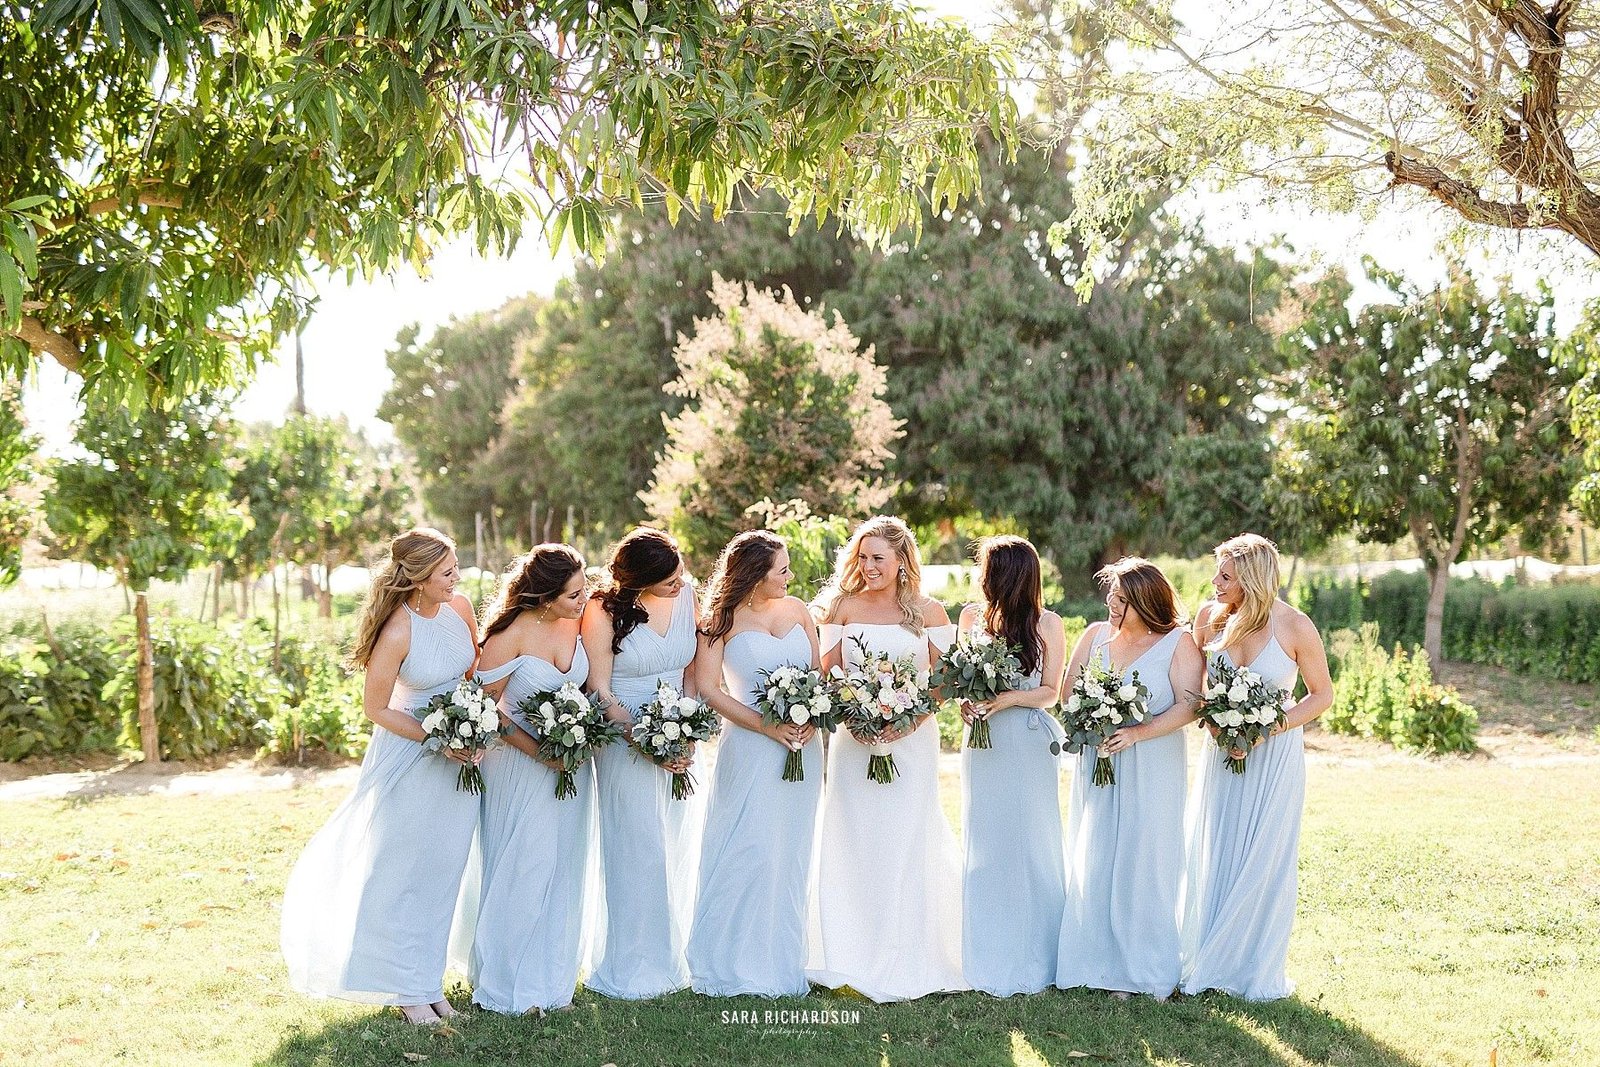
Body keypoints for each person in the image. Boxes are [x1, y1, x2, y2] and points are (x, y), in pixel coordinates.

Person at [280, 528, 479, 1025]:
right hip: (411, 757)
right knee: (401, 872)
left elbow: (471, 671)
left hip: (460, 756)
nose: (457, 577)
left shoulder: (459, 609)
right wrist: (439, 738)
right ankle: (403, 987)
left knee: (443, 869)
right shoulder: (397, 631)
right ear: (417, 578)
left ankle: (428, 982)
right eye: (447, 572)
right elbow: (376, 708)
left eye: (455, 567)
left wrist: (474, 723)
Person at [806, 515, 967, 1002]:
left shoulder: (930, 611)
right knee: (855, 834)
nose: (869, 565)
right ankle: (851, 947)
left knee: (907, 833)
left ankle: (910, 948)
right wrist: (855, 714)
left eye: (879, 557)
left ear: (902, 560)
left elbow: (945, 679)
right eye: (862, 556)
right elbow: (827, 671)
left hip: (912, 739)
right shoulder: (842, 606)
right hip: (855, 740)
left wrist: (908, 720)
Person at [1181, 533, 1333, 1001]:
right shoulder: (1209, 619)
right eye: (1217, 572)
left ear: (1250, 578)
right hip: (1221, 755)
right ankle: (1208, 954)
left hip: (1274, 756)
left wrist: (1266, 730)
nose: (1215, 582)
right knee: (1217, 846)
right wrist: (1218, 728)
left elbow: (1322, 696)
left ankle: (1251, 967)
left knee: (1263, 856)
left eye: (1225, 575)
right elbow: (1198, 690)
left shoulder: (1295, 626)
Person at [457, 544, 598, 1014]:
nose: (584, 599)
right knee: (523, 865)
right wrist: (538, 749)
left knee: (563, 865)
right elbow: (484, 708)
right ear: (544, 596)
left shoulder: (577, 623)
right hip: (517, 765)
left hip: (567, 766)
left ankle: (552, 981)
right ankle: (506, 982)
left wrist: (576, 738)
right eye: (574, 593)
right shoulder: (509, 634)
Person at [1055, 557, 1203, 999]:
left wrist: (1138, 731)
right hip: (1099, 760)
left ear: (1144, 600)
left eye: (1120, 598)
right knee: (1097, 852)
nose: (1110, 603)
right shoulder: (1095, 636)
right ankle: (1095, 963)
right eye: (1111, 595)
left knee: (1146, 857)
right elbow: (1068, 694)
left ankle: (1144, 969)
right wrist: (1091, 716)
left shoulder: (1178, 642)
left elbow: (1190, 704)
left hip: (1153, 764)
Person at [686, 531, 822, 996]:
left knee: (791, 848)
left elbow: (818, 676)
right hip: (750, 747)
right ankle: (731, 960)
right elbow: (709, 688)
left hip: (804, 747)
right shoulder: (718, 621)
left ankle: (784, 958)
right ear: (754, 574)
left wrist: (811, 719)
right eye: (781, 569)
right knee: (748, 845)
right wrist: (768, 726)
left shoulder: (799, 610)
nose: (789, 576)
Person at [581, 527, 704, 999]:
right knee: (635, 847)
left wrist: (686, 726)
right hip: (622, 737)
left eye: (680, 572)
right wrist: (644, 735)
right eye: (668, 577)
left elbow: (692, 670)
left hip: (680, 734)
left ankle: (673, 959)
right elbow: (600, 688)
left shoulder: (688, 595)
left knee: (675, 842)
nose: (680, 581)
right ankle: (632, 965)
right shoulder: (602, 610)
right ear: (638, 578)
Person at [957, 535, 1068, 996]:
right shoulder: (969, 618)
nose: (979, 577)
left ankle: (1037, 950)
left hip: (1023, 740)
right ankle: (986, 947)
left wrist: (1005, 701)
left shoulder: (1049, 624)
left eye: (986, 568)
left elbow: (1050, 691)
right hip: (981, 744)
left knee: (1029, 839)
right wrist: (968, 701)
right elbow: (961, 676)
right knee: (985, 840)